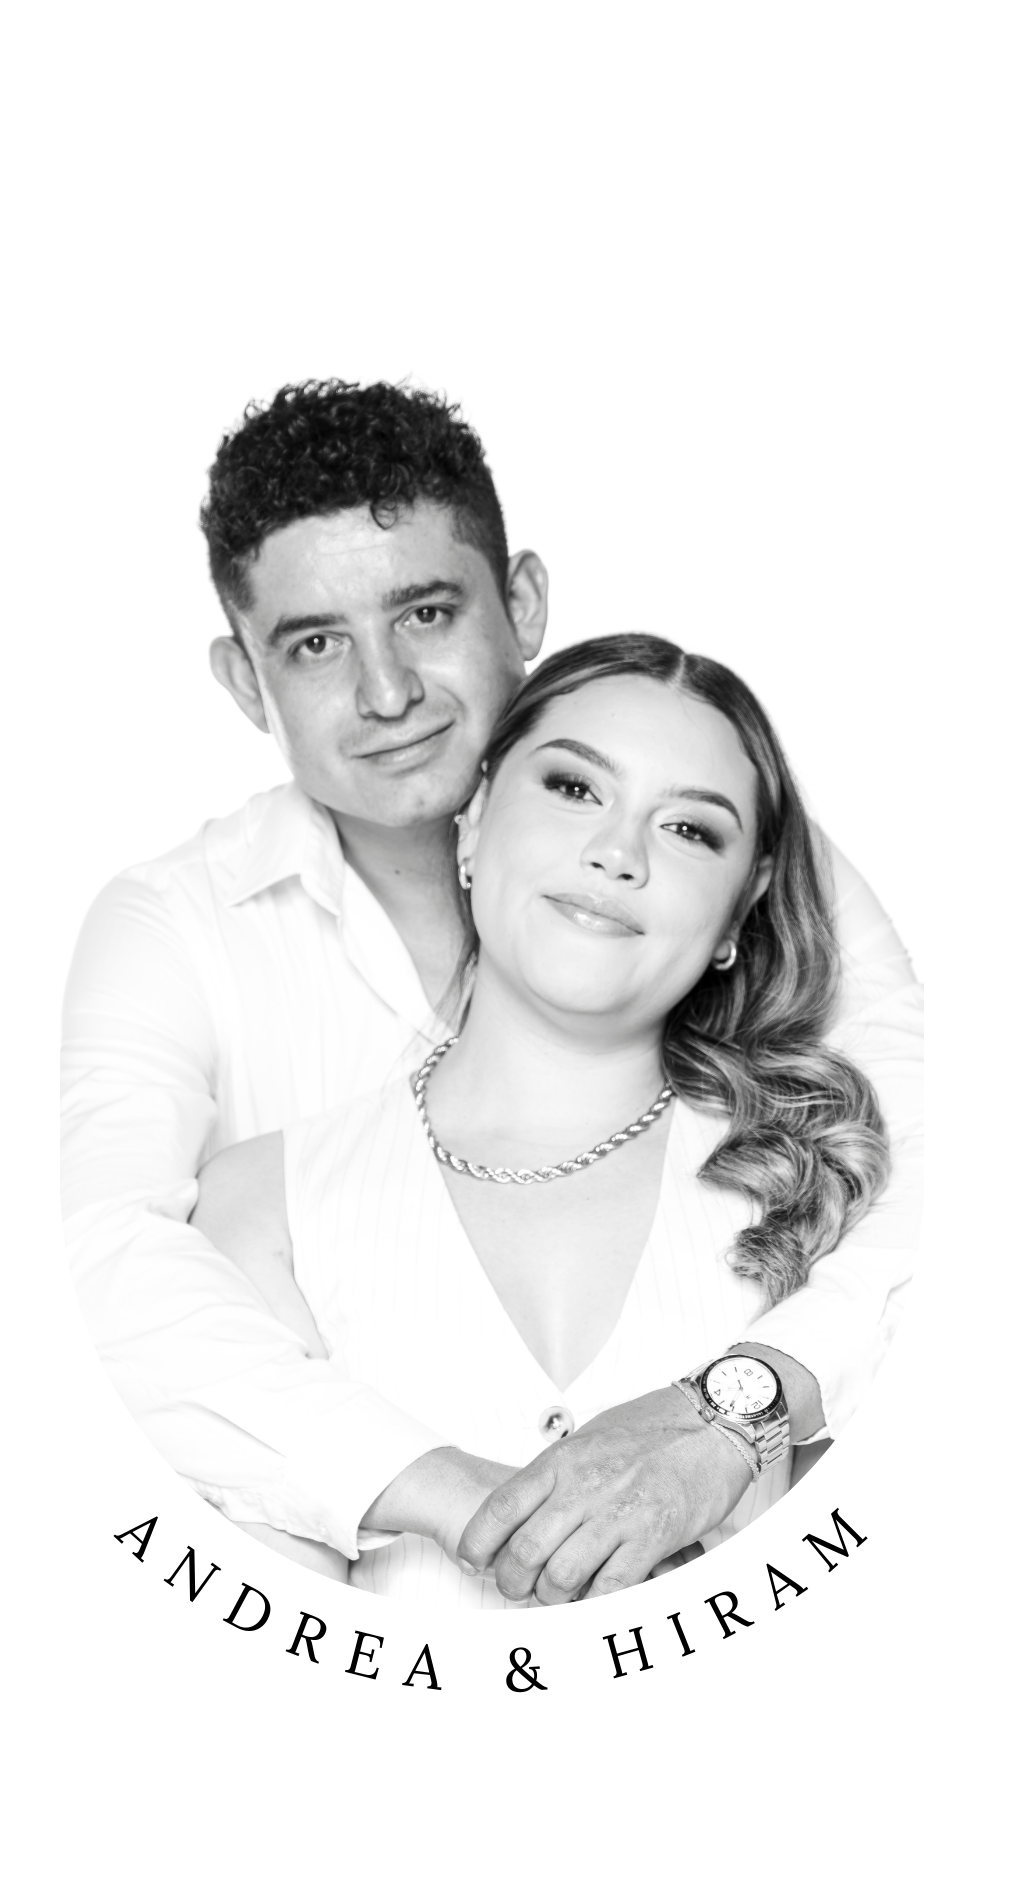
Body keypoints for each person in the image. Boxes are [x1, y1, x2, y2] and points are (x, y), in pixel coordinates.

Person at [61, 378, 922, 1613]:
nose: (388, 693)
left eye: (426, 612)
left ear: (521, 604)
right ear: (246, 683)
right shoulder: (176, 934)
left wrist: (740, 1406)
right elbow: (106, 1265)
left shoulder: (725, 842)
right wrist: (470, 1499)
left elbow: (963, 1162)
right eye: (315, 645)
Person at [189, 632, 907, 1624]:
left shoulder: (840, 1185)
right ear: (473, 820)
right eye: (574, 788)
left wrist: (738, 1416)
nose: (618, 853)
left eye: (690, 829)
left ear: (742, 909)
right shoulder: (259, 1204)